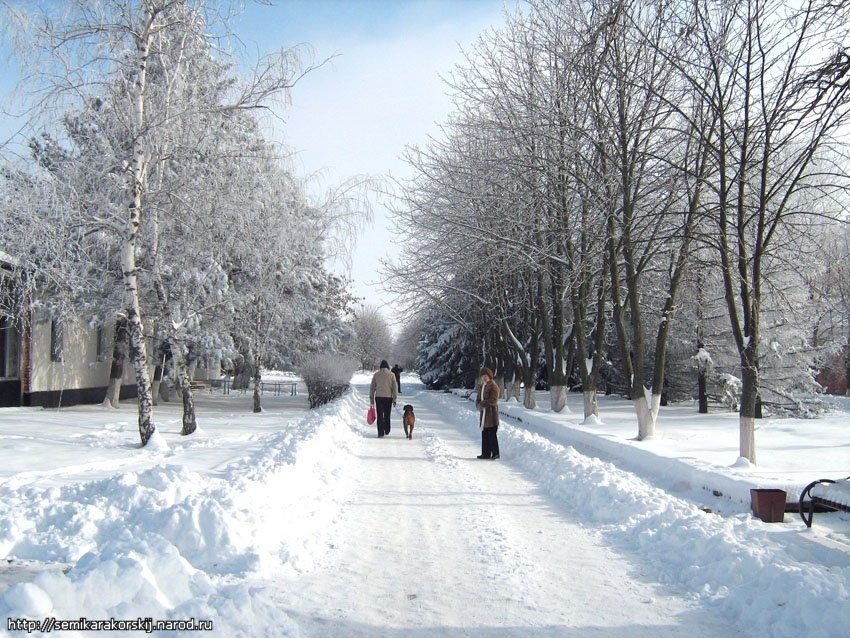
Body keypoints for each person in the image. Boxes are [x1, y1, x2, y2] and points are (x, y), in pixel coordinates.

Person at [476, 367, 500, 459]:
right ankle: (485, 454)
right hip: (484, 414)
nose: (484, 378)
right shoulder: (482, 386)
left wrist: (482, 404)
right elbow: (479, 398)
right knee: (485, 434)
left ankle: (495, 454)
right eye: (482, 376)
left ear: (489, 376)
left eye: (486, 376)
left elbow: (493, 400)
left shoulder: (493, 386)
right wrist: (478, 403)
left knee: (492, 434)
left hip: (491, 414)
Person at [370, 360, 398, 437]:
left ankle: (380, 433)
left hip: (378, 397)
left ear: (380, 367)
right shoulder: (392, 375)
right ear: (387, 367)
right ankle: (387, 429)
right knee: (387, 414)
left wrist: (371, 399)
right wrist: (395, 398)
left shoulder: (376, 375)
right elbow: (395, 387)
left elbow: (372, 387)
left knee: (379, 415)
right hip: (388, 398)